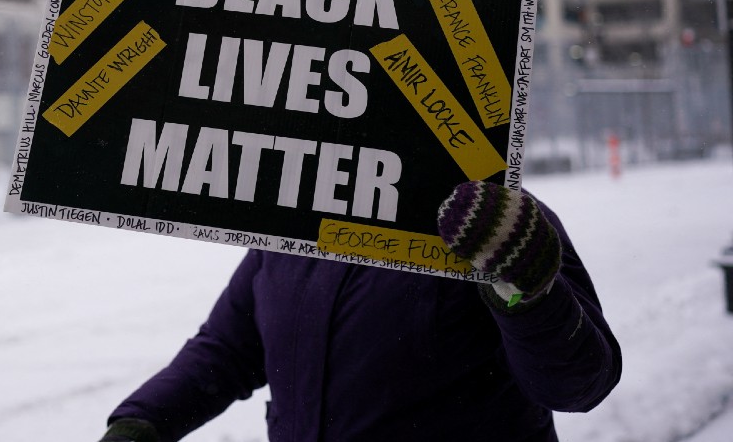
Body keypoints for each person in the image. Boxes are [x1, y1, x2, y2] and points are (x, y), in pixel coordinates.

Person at [98, 181, 622, 442]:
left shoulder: (492, 222)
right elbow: (226, 350)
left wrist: (528, 291)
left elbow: (580, 383)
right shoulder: (295, 220)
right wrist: (141, 423)